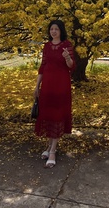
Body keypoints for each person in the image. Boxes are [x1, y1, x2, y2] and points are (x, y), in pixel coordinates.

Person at [34, 20, 76, 168]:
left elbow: (71, 66)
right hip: (47, 85)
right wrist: (37, 86)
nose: (53, 31)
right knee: (49, 114)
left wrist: (67, 57)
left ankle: (52, 150)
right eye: (51, 29)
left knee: (57, 115)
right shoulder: (47, 46)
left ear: (61, 31)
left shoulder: (66, 45)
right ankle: (49, 146)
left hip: (61, 85)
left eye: (56, 29)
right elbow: (43, 66)